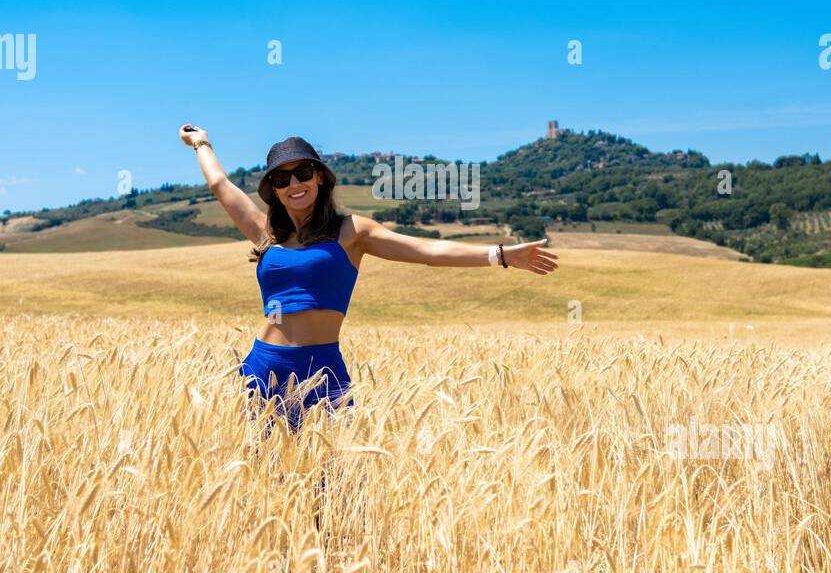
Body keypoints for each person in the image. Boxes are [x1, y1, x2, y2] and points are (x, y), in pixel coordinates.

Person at [179, 126, 559, 432]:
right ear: (274, 191)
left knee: (332, 494)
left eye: (303, 172)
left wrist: (501, 255)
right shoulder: (267, 235)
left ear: (320, 178)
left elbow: (427, 252)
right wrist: (202, 143)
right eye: (281, 178)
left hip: (321, 371)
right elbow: (221, 187)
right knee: (263, 486)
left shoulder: (352, 232)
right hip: (263, 367)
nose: (294, 182)